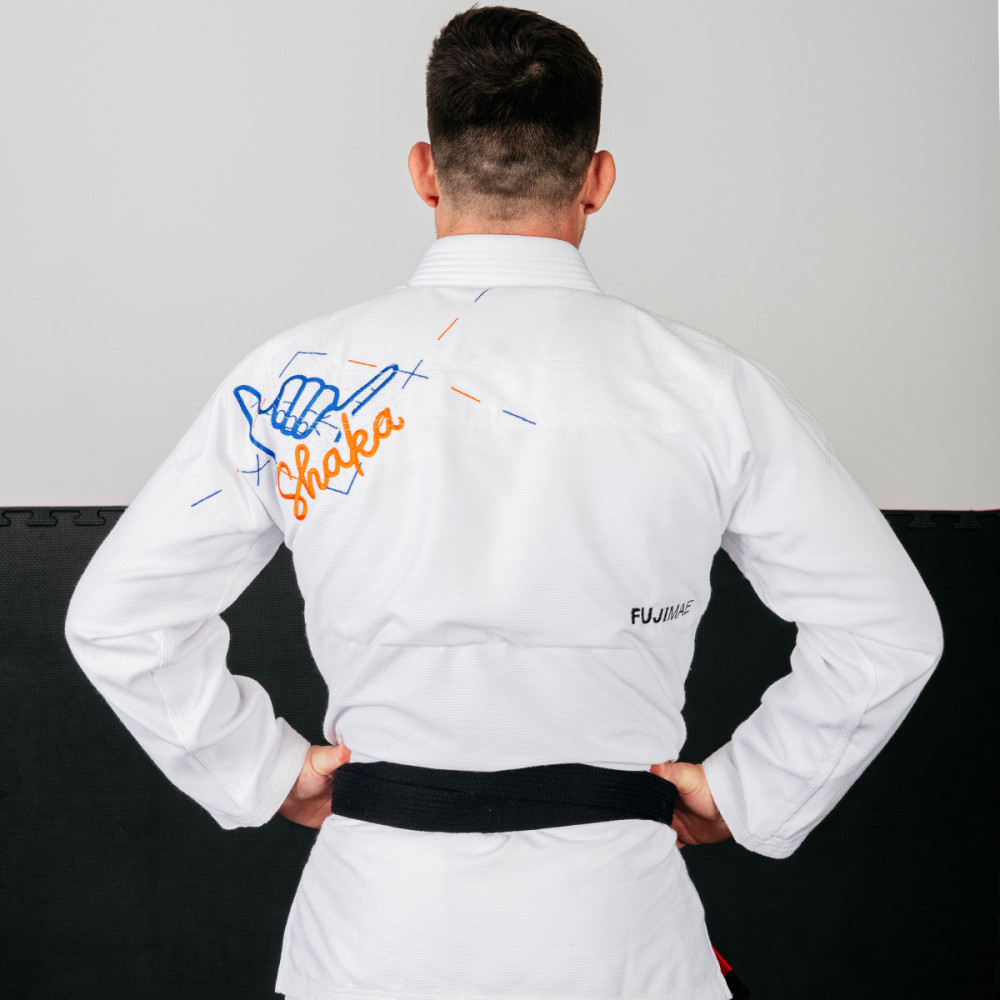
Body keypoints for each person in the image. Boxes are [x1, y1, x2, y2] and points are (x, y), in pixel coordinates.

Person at [64, 6, 943, 1000]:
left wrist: (258, 768)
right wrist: (749, 789)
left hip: (375, 932)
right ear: (597, 179)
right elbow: (885, 631)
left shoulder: (295, 377)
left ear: (424, 171)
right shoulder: (706, 388)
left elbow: (120, 618)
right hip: (613, 930)